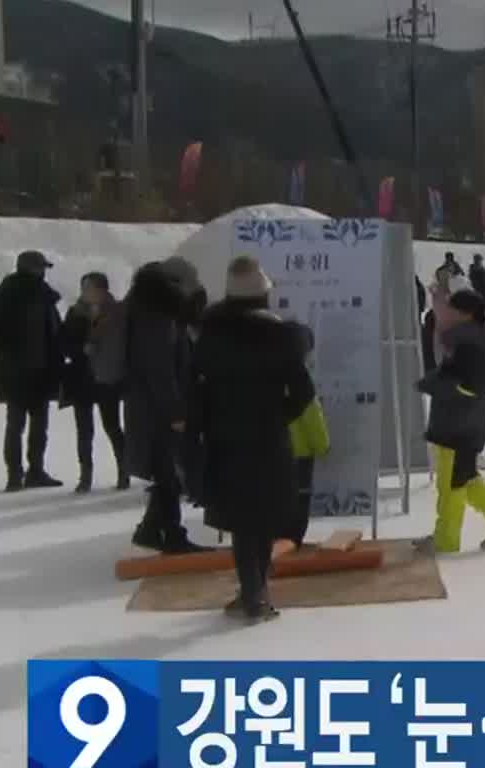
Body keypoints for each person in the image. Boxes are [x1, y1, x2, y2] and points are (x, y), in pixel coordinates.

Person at [190, 257, 316, 622]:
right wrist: (280, 414)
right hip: (268, 436)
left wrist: (198, 431)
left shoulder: (209, 337)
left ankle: (251, 590)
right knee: (262, 517)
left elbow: (194, 391)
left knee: (242, 520)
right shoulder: (280, 337)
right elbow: (303, 391)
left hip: (223, 436)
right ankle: (254, 593)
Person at [419, 289, 485, 553]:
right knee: (465, 477)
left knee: (451, 483)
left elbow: (474, 387)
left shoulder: (470, 347)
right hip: (458, 422)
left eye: (451, 309)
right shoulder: (464, 342)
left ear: (465, 315)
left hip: (460, 425)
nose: (445, 313)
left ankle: (446, 539)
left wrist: (437, 385)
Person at [122, 258, 209, 553]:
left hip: (150, 406)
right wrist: (175, 412)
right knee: (169, 473)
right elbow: (158, 367)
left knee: (167, 474)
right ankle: (166, 533)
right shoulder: (156, 316)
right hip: (157, 410)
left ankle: (157, 531)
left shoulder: (152, 309)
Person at [0, 250, 66, 491]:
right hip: (18, 371)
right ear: (30, 268)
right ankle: (16, 475)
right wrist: (6, 351)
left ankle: (34, 471)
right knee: (17, 425)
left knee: (36, 425)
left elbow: (54, 330)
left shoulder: (42, 296)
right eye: (40, 268)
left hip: (41, 370)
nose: (43, 273)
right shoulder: (7, 296)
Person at [58, 272, 130, 493]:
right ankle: (85, 474)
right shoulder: (75, 312)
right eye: (84, 288)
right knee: (84, 429)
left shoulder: (116, 312)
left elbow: (124, 344)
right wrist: (80, 350)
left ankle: (124, 471)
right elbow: (64, 342)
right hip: (82, 376)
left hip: (107, 377)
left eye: (89, 288)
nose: (85, 293)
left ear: (102, 290)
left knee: (112, 426)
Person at [285, 322, 329, 549]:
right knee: (299, 500)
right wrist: (322, 445)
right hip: (301, 452)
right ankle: (292, 543)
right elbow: (311, 415)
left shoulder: (264, 375)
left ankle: (276, 542)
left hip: (270, 451)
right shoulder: (300, 378)